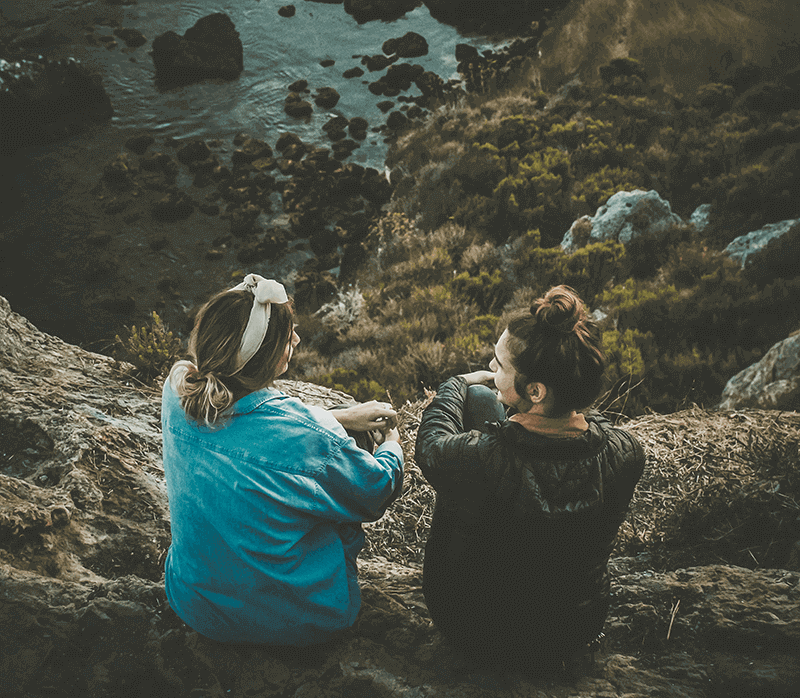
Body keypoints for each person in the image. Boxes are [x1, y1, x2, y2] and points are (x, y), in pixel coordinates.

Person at [161, 274, 404, 646]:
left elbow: (252, 432)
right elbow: (377, 490)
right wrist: (391, 441)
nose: (297, 339)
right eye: (288, 335)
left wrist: (338, 417)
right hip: (294, 621)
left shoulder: (177, 387)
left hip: (195, 604)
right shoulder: (308, 435)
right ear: (267, 357)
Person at [415, 285, 645, 673]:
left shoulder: (484, 458)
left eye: (499, 366)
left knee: (473, 412)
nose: (490, 369)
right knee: (486, 402)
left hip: (477, 630)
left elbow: (432, 446)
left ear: (535, 390)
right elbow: (591, 427)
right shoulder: (626, 453)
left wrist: (454, 385)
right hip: (572, 629)